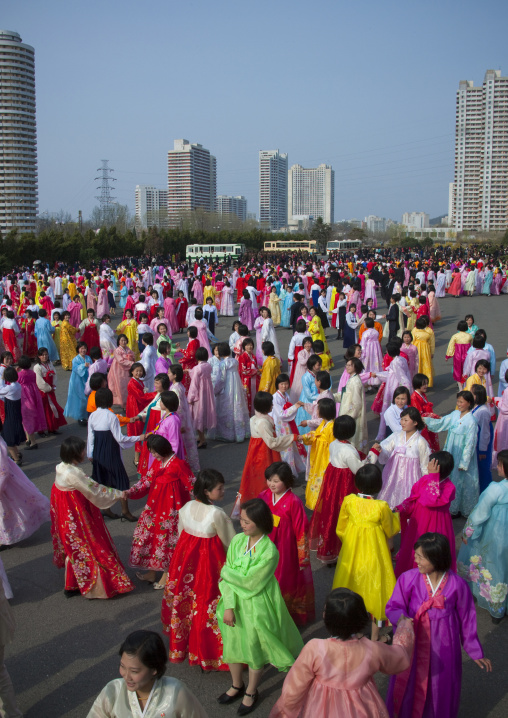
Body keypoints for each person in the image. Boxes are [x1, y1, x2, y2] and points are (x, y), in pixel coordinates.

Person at [386, 533, 491, 718]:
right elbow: (394, 606)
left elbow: (467, 618)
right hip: (415, 641)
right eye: (416, 555)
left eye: (421, 557)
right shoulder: (408, 578)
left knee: (439, 685)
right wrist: (402, 619)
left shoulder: (458, 585)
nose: (416, 560)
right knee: (412, 681)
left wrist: (475, 651)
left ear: (436, 558)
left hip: (444, 646)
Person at [269, 588, 414, 718]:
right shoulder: (373, 649)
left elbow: (294, 688)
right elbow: (400, 658)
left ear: (327, 618)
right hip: (364, 708)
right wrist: (405, 626)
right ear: (361, 618)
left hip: (320, 709)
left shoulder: (315, 648)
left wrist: (284, 712)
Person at [217, 499, 304, 715]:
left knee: (254, 647)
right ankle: (237, 684)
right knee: (233, 646)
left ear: (260, 522)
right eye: (242, 520)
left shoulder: (269, 551)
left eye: (247, 522)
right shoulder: (238, 540)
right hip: (232, 604)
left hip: (256, 605)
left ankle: (251, 690)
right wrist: (228, 605)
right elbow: (231, 580)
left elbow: (250, 584)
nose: (242, 525)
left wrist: (226, 572)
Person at [162, 468, 236, 670]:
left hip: (186, 566)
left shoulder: (185, 508)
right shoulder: (217, 514)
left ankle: (189, 647)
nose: (223, 492)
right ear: (206, 491)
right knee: (207, 607)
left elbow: (181, 537)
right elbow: (230, 543)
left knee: (188, 605)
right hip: (208, 568)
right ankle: (210, 652)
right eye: (219, 489)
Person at [51, 436, 134, 599]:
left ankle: (72, 583)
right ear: (75, 453)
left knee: (73, 547)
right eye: (82, 450)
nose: (84, 452)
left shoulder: (61, 467)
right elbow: (95, 490)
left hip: (65, 512)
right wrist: (118, 493)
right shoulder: (73, 473)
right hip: (75, 514)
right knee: (90, 544)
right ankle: (100, 586)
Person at [332, 464, 400, 641]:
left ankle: (352, 630)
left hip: (352, 550)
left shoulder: (349, 501)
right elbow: (390, 528)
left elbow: (341, 528)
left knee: (351, 584)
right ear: (379, 485)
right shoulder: (381, 506)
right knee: (376, 589)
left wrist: (349, 541)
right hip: (374, 552)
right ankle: (376, 636)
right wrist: (397, 516)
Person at [86, 630, 208, 718]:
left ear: (154, 669)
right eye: (122, 666)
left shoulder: (176, 693)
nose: (126, 676)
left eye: (134, 671)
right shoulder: (113, 691)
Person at [127, 435, 194, 589]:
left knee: (167, 542)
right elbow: (146, 481)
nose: (153, 455)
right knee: (152, 538)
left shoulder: (179, 464)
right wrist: (130, 491)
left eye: (155, 452)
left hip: (171, 510)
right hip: (155, 507)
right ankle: (151, 572)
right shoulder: (159, 463)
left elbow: (191, 485)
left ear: (162, 449)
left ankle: (166, 574)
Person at [309, 415, 378, 565]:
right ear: (351, 431)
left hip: (332, 482)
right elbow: (359, 469)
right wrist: (373, 453)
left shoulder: (334, 444)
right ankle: (343, 550)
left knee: (331, 513)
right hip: (344, 485)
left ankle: (328, 550)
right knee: (344, 515)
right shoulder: (349, 450)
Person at [259, 462, 315, 625]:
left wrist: (302, 555)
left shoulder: (293, 501)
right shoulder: (264, 495)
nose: (272, 484)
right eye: (269, 480)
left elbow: (301, 529)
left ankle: (287, 617)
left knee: (285, 578)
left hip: (286, 547)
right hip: (266, 543)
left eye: (276, 481)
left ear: (287, 481)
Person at [458, 448, 508, 624]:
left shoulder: (497, 489)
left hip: (497, 533)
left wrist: (468, 532)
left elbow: (480, 513)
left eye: (500, 464)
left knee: (493, 563)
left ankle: (495, 602)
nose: (498, 467)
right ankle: (500, 606)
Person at [233, 391, 297, 513]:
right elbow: (271, 442)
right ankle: (268, 506)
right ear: (265, 406)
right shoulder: (263, 422)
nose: (272, 406)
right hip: (264, 454)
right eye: (270, 404)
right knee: (266, 479)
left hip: (255, 454)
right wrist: (292, 437)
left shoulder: (254, 419)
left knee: (255, 480)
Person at [395, 452, 457, 577]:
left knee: (431, 550)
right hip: (418, 520)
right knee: (416, 550)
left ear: (436, 468)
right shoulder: (425, 480)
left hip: (437, 524)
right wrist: (402, 508)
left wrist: (434, 478)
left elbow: (430, 500)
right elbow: (414, 498)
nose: (427, 465)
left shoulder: (449, 487)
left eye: (430, 463)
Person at [87, 388, 144, 522]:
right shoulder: (111, 416)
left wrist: (90, 454)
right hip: (110, 451)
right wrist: (139, 438)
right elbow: (120, 438)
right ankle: (125, 510)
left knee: (103, 480)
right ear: (110, 401)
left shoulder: (93, 416)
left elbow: (90, 437)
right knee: (121, 480)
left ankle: (106, 509)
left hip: (98, 453)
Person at [424, 390, 479, 517]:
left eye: (461, 402)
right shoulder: (455, 414)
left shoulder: (471, 421)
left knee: (463, 481)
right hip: (451, 450)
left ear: (469, 403)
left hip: (462, 453)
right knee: (451, 479)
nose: (458, 404)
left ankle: (461, 508)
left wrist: (464, 462)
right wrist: (425, 420)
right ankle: (451, 506)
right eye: (458, 401)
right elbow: (442, 422)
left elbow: (470, 443)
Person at [376, 407, 430, 509]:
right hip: (393, 475)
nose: (402, 423)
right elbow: (386, 449)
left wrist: (425, 484)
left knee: (408, 500)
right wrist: (380, 449)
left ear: (415, 422)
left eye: (406, 420)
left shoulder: (421, 442)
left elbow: (424, 465)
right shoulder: (396, 436)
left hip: (411, 478)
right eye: (401, 420)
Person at [208, 342, 250, 443]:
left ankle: (227, 434)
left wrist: (216, 390)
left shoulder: (223, 364)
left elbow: (221, 379)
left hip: (227, 388)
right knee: (237, 407)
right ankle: (240, 432)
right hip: (236, 387)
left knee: (225, 408)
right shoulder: (234, 362)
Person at [301, 398, 336, 510]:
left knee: (322, 481)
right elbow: (316, 435)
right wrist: (304, 437)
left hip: (325, 459)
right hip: (319, 457)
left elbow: (333, 446)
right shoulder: (323, 423)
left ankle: (322, 504)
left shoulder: (331, 427)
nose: (316, 411)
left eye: (318, 408)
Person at [168, 363, 200, 474]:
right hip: (184, 418)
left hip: (180, 419)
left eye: (169, 373)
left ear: (175, 375)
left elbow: (179, 408)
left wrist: (180, 424)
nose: (168, 375)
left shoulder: (175, 389)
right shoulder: (179, 386)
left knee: (183, 444)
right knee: (187, 443)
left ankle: (185, 467)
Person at [187, 346, 216, 449]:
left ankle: (202, 439)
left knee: (198, 416)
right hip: (207, 394)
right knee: (203, 414)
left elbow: (194, 384)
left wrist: (190, 398)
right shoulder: (208, 366)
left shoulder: (197, 368)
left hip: (199, 394)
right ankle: (201, 437)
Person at [33, 347, 67, 434]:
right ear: (39, 356)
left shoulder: (50, 364)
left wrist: (54, 386)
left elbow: (54, 375)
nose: (45, 356)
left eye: (46, 354)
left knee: (52, 409)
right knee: (44, 411)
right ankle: (42, 431)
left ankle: (52, 428)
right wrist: (48, 388)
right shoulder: (37, 367)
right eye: (42, 355)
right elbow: (39, 380)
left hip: (50, 390)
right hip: (43, 392)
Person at [338, 356, 368, 451]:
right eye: (347, 365)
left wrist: (350, 417)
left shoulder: (355, 382)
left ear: (356, 367)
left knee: (352, 440)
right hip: (349, 413)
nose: (347, 367)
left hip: (352, 416)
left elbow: (357, 403)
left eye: (350, 365)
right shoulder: (352, 379)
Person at [471, 383, 494, 494]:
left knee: (483, 469)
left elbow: (485, 432)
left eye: (472, 393)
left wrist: (483, 450)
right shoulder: (476, 407)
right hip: (476, 441)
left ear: (477, 396)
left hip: (481, 444)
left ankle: (485, 492)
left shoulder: (483, 411)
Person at [0, 367, 25, 465]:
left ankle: (16, 459)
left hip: (10, 415)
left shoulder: (10, 388)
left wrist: (1, 379)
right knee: (10, 435)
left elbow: (1, 390)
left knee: (8, 438)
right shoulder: (17, 385)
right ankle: (17, 454)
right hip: (15, 413)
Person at [410, 373, 440, 452]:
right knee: (426, 445)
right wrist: (434, 416)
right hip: (422, 424)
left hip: (428, 421)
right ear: (418, 384)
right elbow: (419, 414)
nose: (426, 386)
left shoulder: (422, 394)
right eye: (424, 384)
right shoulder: (414, 397)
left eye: (427, 383)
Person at [63, 341, 91, 426]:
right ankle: (81, 417)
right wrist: (83, 366)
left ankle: (87, 415)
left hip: (86, 379)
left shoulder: (88, 358)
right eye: (81, 348)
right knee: (81, 399)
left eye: (84, 348)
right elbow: (75, 369)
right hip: (77, 381)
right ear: (78, 349)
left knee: (88, 398)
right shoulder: (75, 359)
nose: (83, 350)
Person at [109, 334, 135, 408]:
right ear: (119, 342)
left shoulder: (127, 349)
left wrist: (131, 359)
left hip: (128, 368)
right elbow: (120, 361)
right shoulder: (117, 350)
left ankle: (129, 401)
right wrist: (131, 362)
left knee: (128, 385)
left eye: (125, 340)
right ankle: (123, 403)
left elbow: (133, 355)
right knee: (121, 386)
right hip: (119, 370)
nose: (123, 342)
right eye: (122, 340)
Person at [446, 320, 473, 390]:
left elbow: (451, 346)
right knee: (466, 370)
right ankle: (465, 386)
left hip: (457, 356)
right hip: (467, 356)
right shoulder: (469, 336)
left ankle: (460, 388)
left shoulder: (455, 336)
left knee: (458, 371)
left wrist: (448, 356)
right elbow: (472, 346)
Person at [412, 316, 435, 387]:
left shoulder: (429, 331)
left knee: (422, 364)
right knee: (421, 364)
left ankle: (424, 381)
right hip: (423, 349)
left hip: (422, 349)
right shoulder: (415, 330)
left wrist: (432, 352)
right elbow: (432, 343)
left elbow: (432, 343)